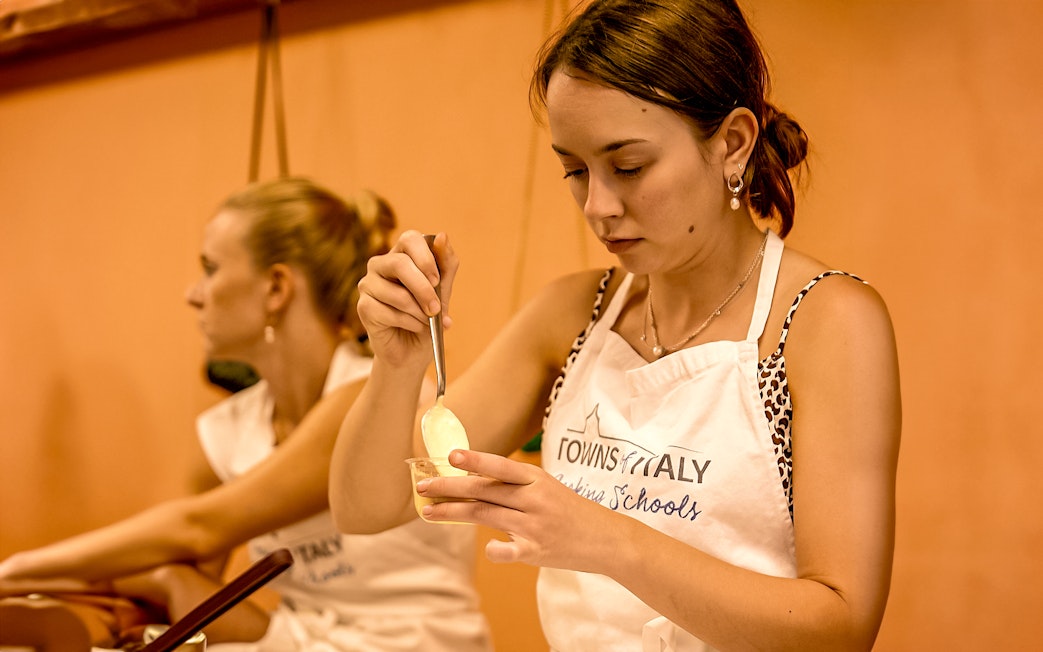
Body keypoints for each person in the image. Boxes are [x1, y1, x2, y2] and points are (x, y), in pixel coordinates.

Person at [329, 1, 902, 650]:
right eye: (574, 170)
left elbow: (840, 626)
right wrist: (397, 365)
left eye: (627, 166)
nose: (597, 207)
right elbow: (367, 506)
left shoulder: (823, 322)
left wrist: (608, 540)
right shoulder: (571, 317)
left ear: (732, 143)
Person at [0, 177, 492, 651]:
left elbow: (198, 527)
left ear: (276, 288)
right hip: (301, 637)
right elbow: (174, 559)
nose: (193, 294)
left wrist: (17, 570)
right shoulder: (231, 429)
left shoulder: (360, 396)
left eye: (210, 269)